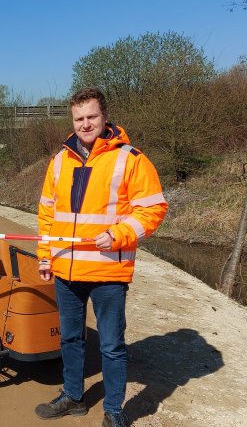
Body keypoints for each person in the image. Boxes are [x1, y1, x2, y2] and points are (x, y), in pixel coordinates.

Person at [34, 88, 168, 426]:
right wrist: (45, 256)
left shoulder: (130, 158)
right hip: (66, 269)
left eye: (91, 116)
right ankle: (73, 396)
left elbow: (153, 209)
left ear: (104, 116)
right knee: (71, 339)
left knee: (111, 346)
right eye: (78, 118)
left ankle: (113, 412)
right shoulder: (59, 161)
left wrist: (119, 235)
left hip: (109, 272)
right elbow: (48, 214)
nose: (85, 124)